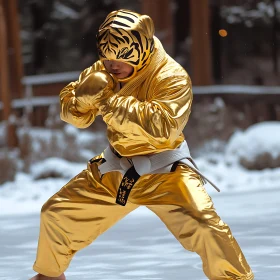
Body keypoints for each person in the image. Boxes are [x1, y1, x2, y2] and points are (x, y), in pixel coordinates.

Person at [30, 9, 254, 280]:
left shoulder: (172, 76)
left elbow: (163, 126)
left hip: (166, 170)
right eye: (107, 57)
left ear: (144, 48)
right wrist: (80, 100)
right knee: (56, 214)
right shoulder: (104, 69)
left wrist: (109, 103)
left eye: (121, 58)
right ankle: (50, 277)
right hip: (116, 168)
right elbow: (74, 114)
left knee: (207, 228)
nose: (113, 67)